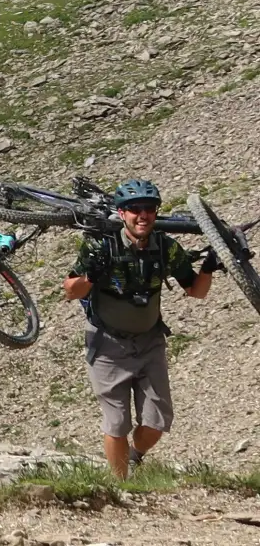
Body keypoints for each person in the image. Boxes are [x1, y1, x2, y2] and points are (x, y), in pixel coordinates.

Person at [62, 178, 217, 479]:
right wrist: (91, 274)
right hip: (107, 344)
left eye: (149, 209)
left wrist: (208, 268)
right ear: (122, 214)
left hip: (149, 342)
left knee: (157, 423)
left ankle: (135, 457)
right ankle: (122, 487)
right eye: (134, 209)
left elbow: (196, 291)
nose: (142, 215)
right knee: (116, 423)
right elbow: (70, 290)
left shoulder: (166, 248)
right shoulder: (100, 245)